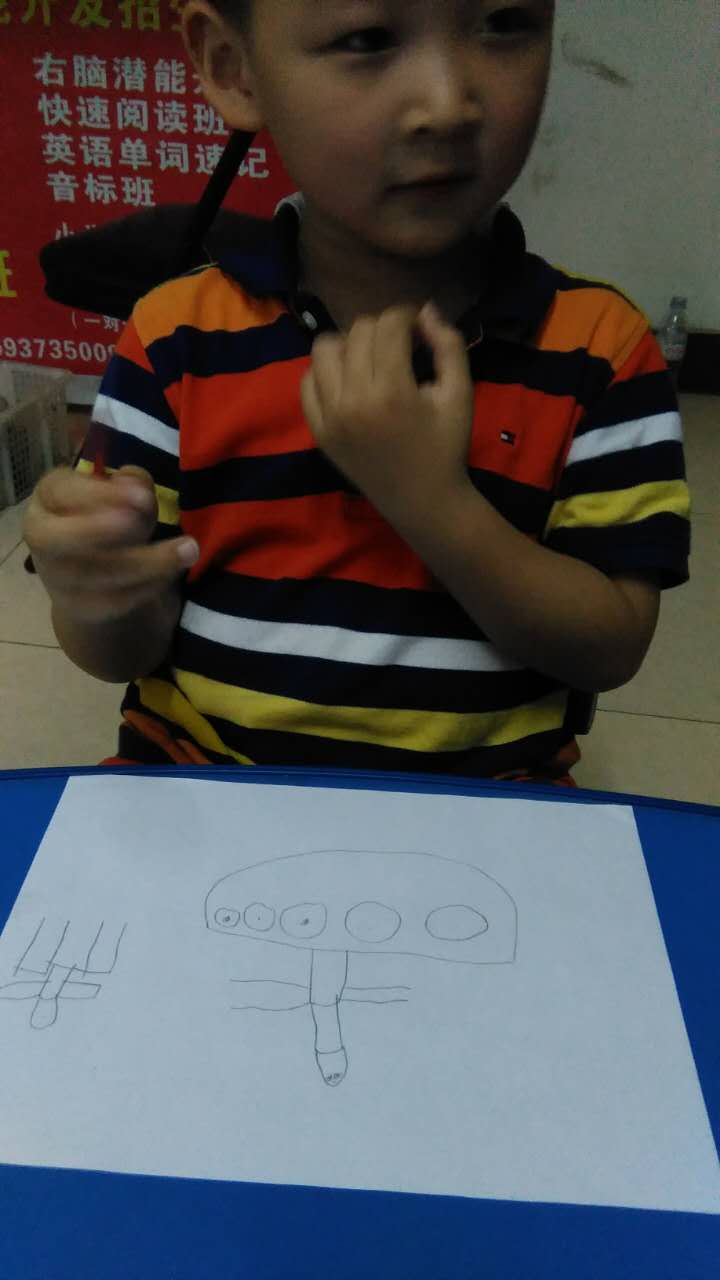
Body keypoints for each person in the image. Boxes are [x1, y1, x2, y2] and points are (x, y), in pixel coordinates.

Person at [24, 0, 690, 782]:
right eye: (368, 38)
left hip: (491, 813)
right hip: (209, 787)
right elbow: (121, 654)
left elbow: (610, 648)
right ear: (235, 69)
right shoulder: (176, 337)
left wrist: (431, 502)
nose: (448, 103)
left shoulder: (600, 348)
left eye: (505, 22)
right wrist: (95, 593)